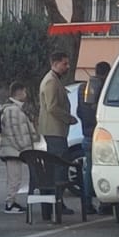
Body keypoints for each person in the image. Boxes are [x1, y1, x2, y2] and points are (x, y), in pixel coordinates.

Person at [38, 51, 76, 218]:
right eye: (64, 64)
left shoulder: (53, 80)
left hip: (55, 131)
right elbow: (52, 107)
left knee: (57, 168)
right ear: (55, 63)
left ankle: (55, 203)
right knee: (58, 169)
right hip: (54, 131)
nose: (67, 67)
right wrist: (68, 118)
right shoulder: (51, 82)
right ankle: (56, 204)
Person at [0, 83, 39, 213]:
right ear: (19, 92)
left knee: (15, 177)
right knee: (14, 177)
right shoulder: (12, 110)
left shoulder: (15, 109)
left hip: (13, 149)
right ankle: (10, 203)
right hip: (13, 150)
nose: (26, 95)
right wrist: (24, 148)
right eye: (24, 92)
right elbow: (14, 131)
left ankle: (12, 201)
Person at [81, 61, 109, 213]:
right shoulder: (105, 87)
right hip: (101, 134)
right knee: (104, 169)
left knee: (89, 170)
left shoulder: (84, 88)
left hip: (87, 133)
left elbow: (80, 111)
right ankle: (104, 204)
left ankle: (87, 202)